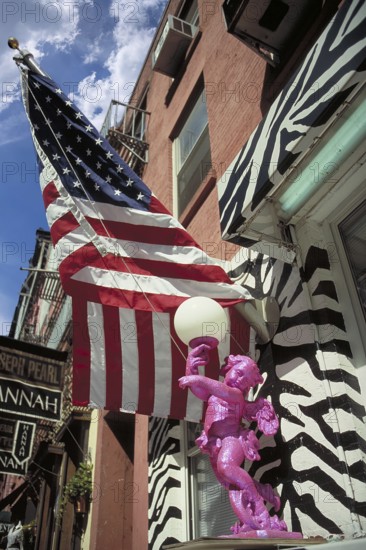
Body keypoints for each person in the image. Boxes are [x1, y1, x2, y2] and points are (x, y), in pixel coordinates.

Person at [179, 345, 287, 534]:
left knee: (227, 466)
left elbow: (215, 388)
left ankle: (260, 509)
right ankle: (254, 512)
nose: (239, 380)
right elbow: (198, 390)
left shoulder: (235, 395)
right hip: (214, 443)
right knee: (232, 484)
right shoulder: (214, 393)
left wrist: (198, 377)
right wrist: (191, 366)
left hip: (233, 438)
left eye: (245, 381)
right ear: (228, 369)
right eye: (237, 373)